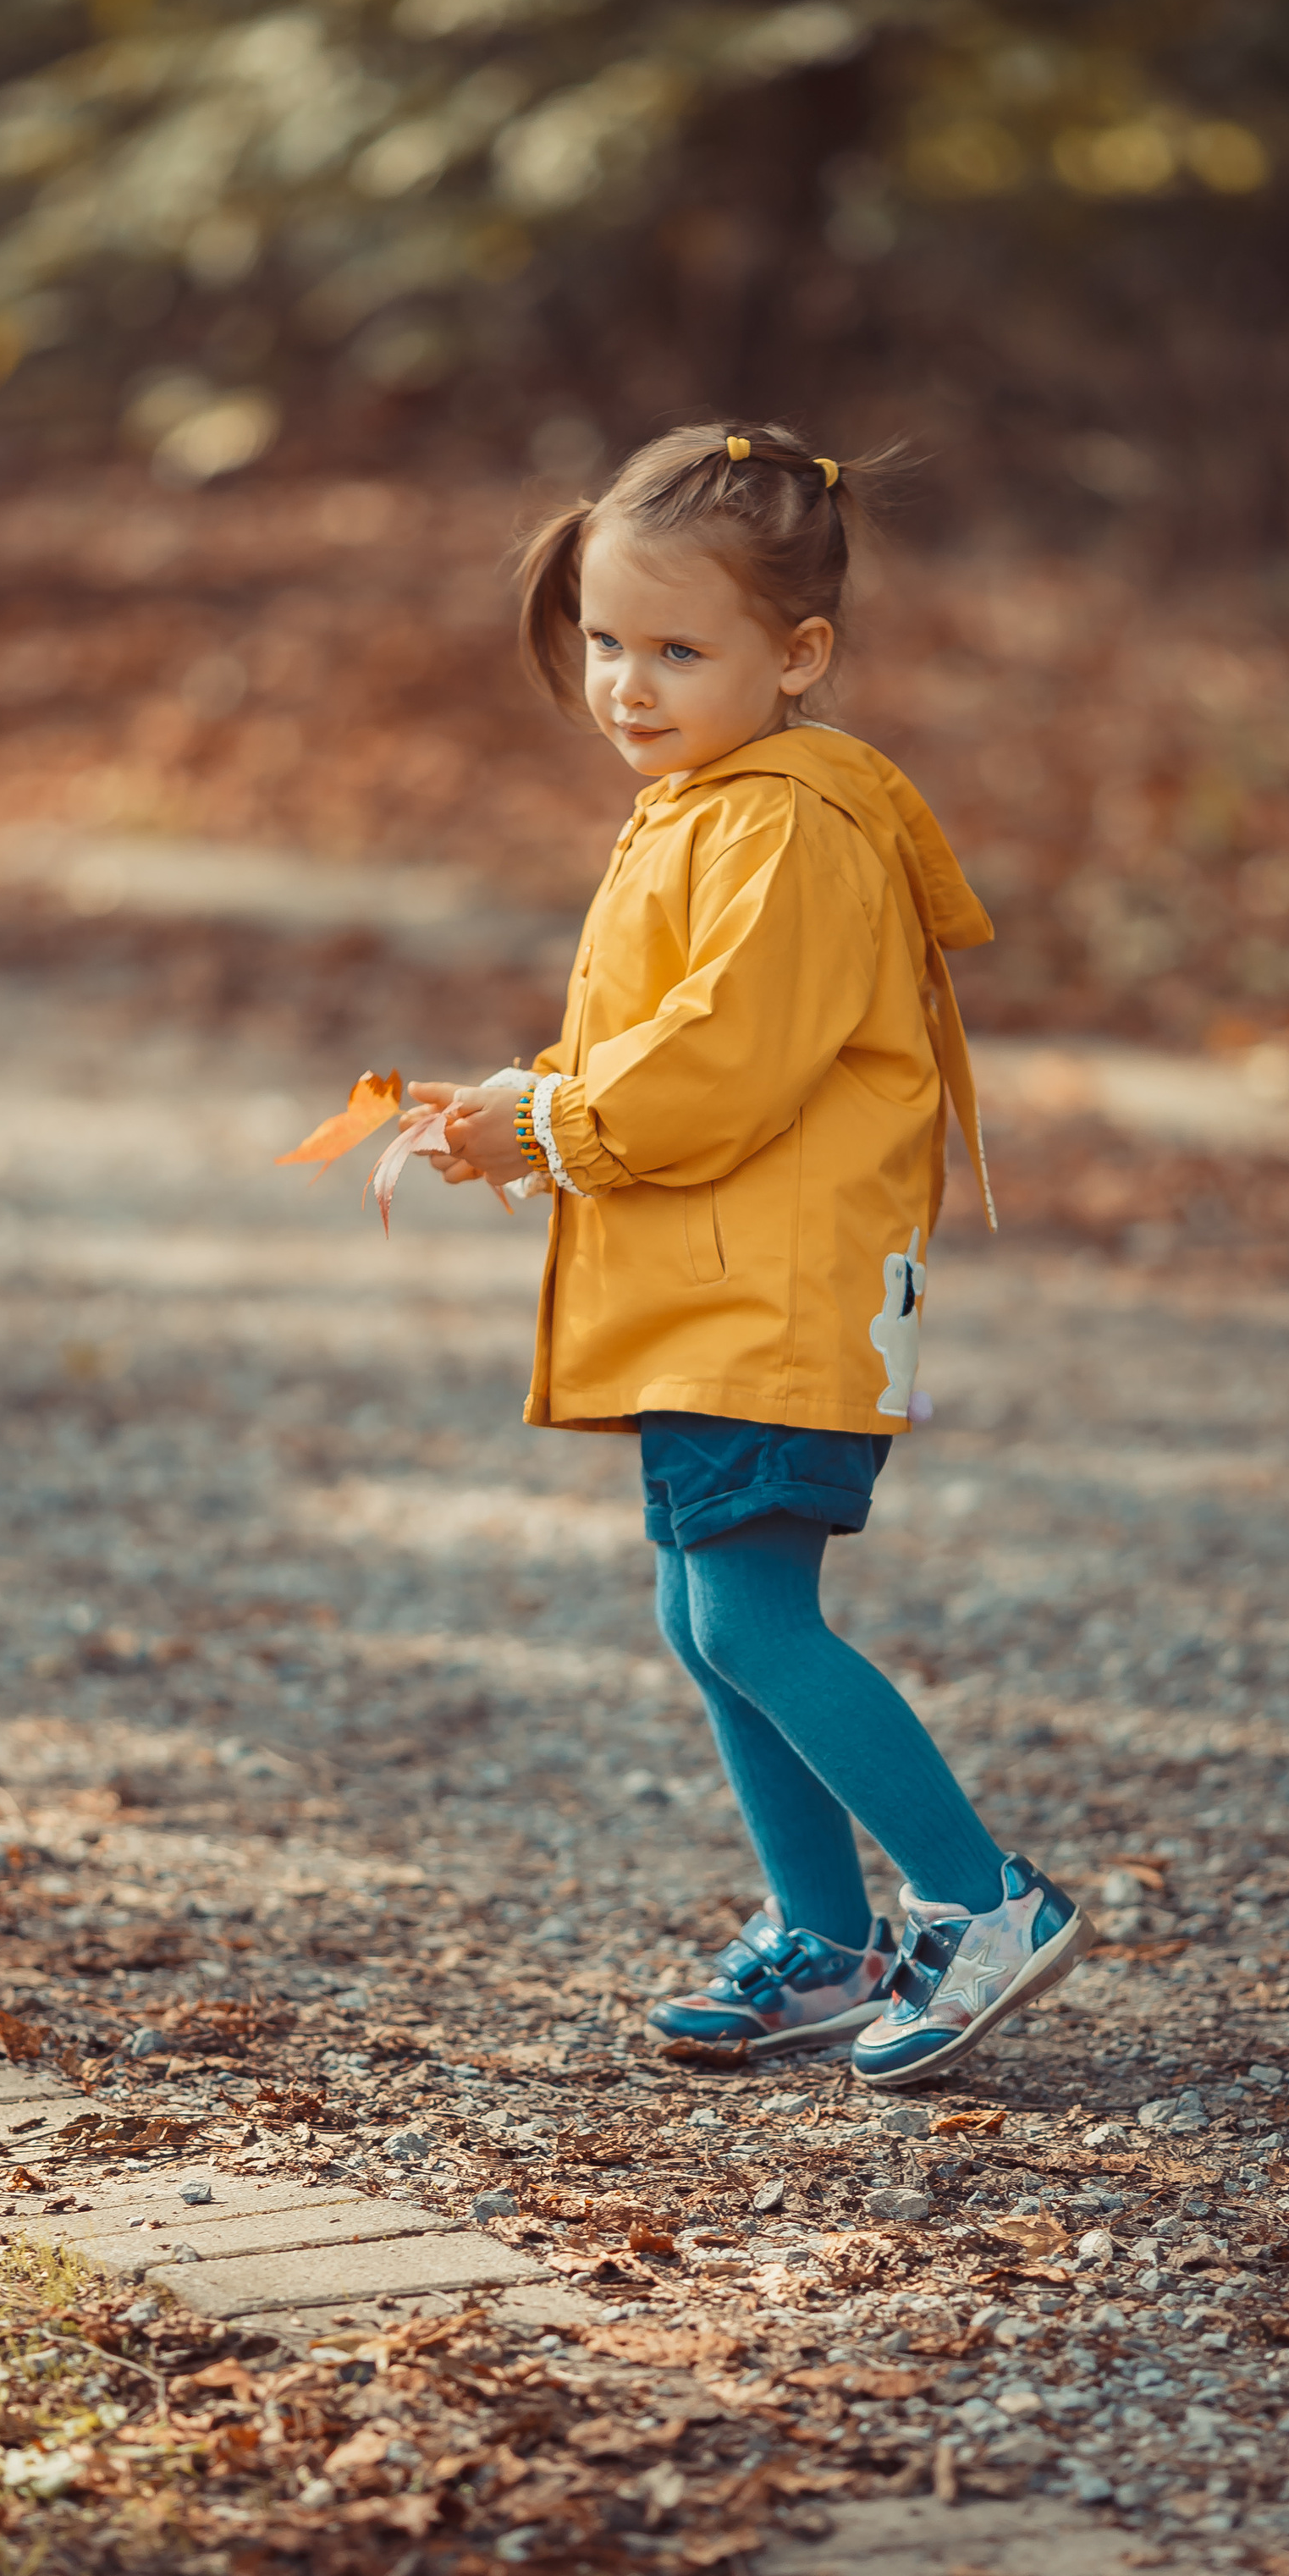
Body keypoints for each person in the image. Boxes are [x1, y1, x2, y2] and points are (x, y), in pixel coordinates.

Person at [410, 421, 1091, 2090]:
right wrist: (534, 1102)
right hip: (711, 1293)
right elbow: (672, 1038)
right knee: (704, 1610)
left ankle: (978, 1898)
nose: (627, 685)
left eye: (674, 650)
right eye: (603, 642)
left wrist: (556, 1125)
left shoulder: (783, 824)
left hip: (772, 1295)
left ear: (797, 656)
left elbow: (719, 1059)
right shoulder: (709, 804)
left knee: (752, 1613)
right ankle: (825, 1938)